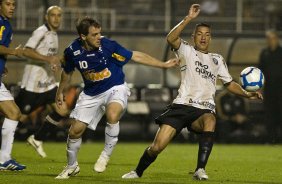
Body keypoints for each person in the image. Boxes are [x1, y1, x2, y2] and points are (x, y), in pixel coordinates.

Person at [122, 4, 263, 180]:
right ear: (193, 36)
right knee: (157, 147)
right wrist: (188, 19)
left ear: (210, 38)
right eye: (199, 34)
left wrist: (247, 94)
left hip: (203, 109)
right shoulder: (186, 50)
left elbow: (229, 84)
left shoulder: (217, 60)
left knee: (210, 119)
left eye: (207, 34)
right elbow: (171, 38)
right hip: (181, 105)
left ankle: (200, 169)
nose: (203, 37)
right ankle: (137, 171)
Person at [54, 17, 178, 179]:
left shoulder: (107, 45)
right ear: (83, 36)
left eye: (99, 33)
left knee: (112, 115)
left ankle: (106, 154)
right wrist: (60, 91)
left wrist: (163, 64)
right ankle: (72, 166)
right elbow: (67, 72)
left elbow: (136, 56)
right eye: (94, 35)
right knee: (75, 131)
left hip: (115, 87)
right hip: (91, 93)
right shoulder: (72, 51)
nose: (99, 37)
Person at [14, 6, 68, 158]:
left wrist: (59, 61)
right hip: (32, 85)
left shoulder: (54, 35)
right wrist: (48, 59)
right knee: (17, 117)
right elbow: (26, 51)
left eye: (59, 15)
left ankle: (37, 139)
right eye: (53, 15)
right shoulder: (40, 32)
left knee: (62, 110)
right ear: (46, 17)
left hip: (47, 84)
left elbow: (52, 57)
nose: (56, 18)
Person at [0, 0, 26, 170]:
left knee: (13, 113)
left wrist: (3, 64)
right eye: (8, 4)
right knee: (13, 113)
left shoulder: (5, 23)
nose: (12, 7)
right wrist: (14, 51)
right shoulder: (1, 24)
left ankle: (3, 159)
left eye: (13, 4)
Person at [259, 30, 282, 143]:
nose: (270, 41)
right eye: (268, 39)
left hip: (280, 89)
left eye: (272, 38)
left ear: (277, 39)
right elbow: (260, 71)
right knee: (269, 115)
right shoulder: (264, 53)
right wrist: (260, 88)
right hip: (269, 89)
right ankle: (271, 139)